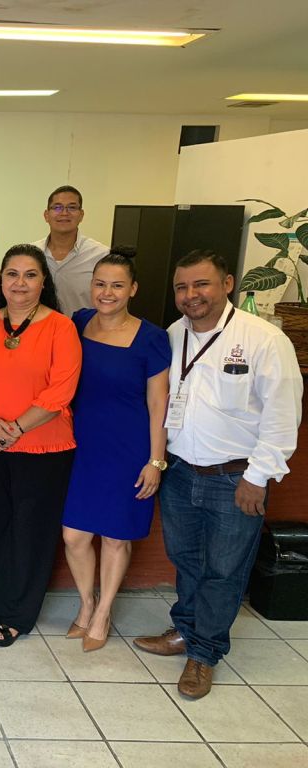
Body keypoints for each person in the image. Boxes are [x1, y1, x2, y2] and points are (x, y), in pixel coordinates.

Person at [134, 249, 302, 700]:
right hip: (179, 473)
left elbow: (283, 418)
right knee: (186, 560)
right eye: (182, 287)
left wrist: (258, 477)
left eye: (201, 284)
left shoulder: (264, 339)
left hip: (235, 478)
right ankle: (185, 630)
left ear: (227, 284)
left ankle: (204, 654)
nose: (191, 295)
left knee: (224, 571)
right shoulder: (173, 335)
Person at [0, 243, 82, 647]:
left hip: (43, 447)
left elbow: (60, 391)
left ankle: (17, 614)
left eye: (30, 275)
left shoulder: (60, 327)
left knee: (30, 531)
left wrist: (12, 429)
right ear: (2, 280)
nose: (20, 283)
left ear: (43, 281)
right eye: (12, 274)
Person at [61, 252, 170, 651]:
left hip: (128, 449)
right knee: (74, 535)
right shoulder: (78, 323)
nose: (107, 293)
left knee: (114, 537)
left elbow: (159, 404)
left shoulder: (152, 338)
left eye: (117, 285)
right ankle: (86, 602)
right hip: (82, 446)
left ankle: (102, 612)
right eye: (100, 284)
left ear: (133, 289)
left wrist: (155, 460)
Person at [32, 185, 108, 318]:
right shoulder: (31, 254)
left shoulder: (101, 255)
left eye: (72, 207)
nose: (64, 213)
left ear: (81, 215)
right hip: (36, 328)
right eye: (57, 207)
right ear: (46, 215)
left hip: (83, 329)